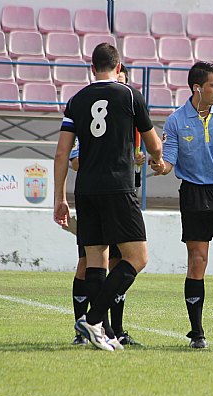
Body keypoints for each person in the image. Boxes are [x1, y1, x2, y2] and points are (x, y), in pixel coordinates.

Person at [54, 43, 164, 352]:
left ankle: (99, 331)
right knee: (137, 258)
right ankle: (94, 319)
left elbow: (62, 152)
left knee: (96, 261)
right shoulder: (129, 95)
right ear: (118, 68)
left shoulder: (77, 99)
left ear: (92, 68)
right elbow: (154, 144)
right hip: (117, 188)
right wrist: (157, 156)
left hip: (86, 190)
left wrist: (59, 197)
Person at [151, 61, 213, 349]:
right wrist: (159, 166)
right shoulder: (176, 121)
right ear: (197, 87)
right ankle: (197, 333)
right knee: (198, 261)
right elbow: (168, 162)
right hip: (194, 195)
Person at [68, 64, 142, 347]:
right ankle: (85, 327)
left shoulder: (127, 115)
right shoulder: (87, 110)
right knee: (87, 262)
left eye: (123, 83)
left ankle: (112, 331)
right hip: (98, 193)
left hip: (117, 194)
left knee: (115, 263)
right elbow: (73, 157)